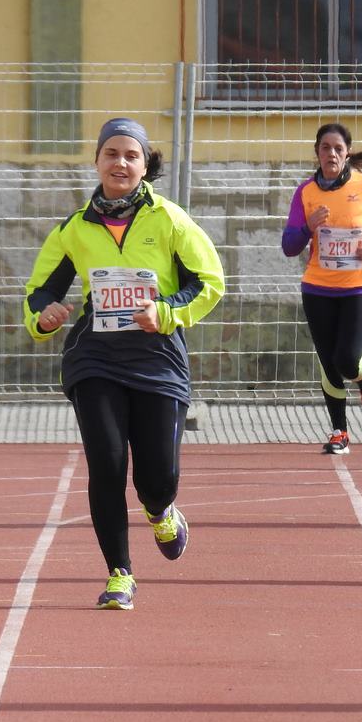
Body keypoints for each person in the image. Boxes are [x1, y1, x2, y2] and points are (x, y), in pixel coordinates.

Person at [23, 117, 225, 610]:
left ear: (144, 165)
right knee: (107, 464)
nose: (120, 163)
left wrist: (167, 311)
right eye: (111, 153)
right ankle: (119, 573)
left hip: (157, 357)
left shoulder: (169, 219)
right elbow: (41, 291)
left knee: (157, 478)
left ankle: (161, 511)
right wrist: (43, 318)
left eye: (131, 155)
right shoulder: (75, 229)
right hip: (96, 357)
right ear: (96, 161)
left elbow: (209, 279)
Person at [281, 123, 362, 454]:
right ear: (317, 153)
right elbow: (289, 246)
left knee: (347, 359)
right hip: (318, 287)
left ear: (347, 152)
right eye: (324, 148)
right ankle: (339, 432)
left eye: (337, 148)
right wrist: (309, 226)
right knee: (328, 363)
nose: (331, 154)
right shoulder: (306, 193)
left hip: (360, 286)